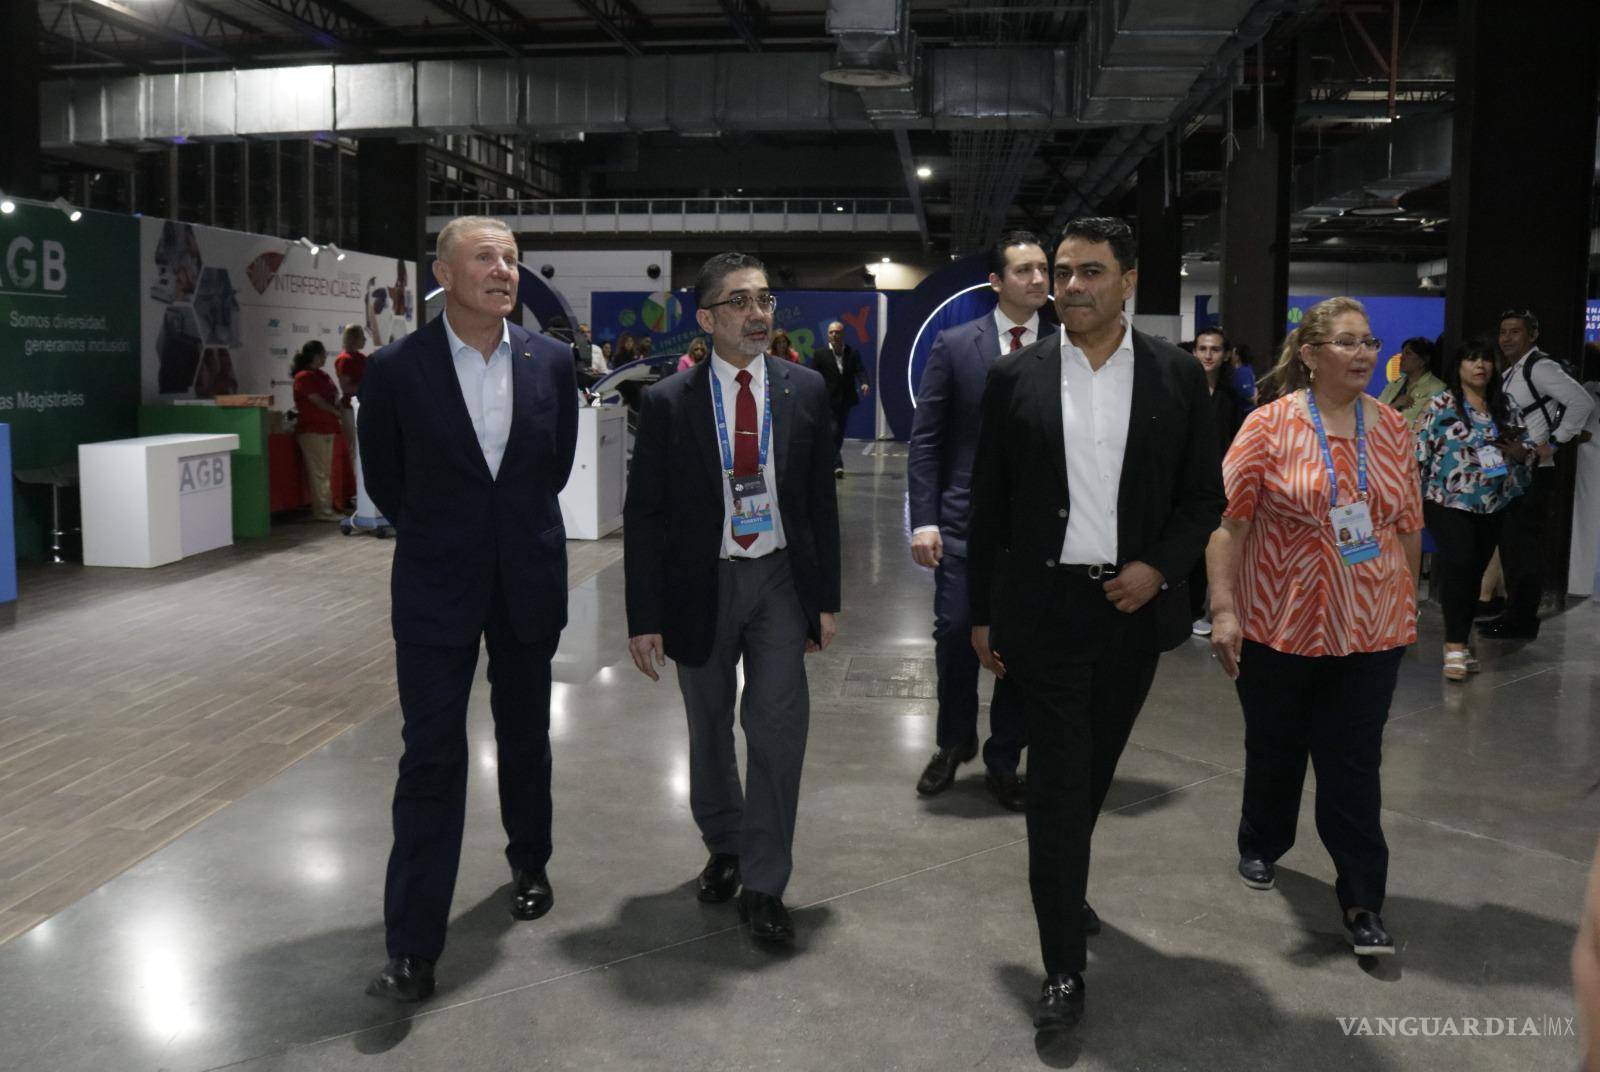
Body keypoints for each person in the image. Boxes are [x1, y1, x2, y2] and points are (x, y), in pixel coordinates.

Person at [967, 217, 1224, 1029]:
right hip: (1044, 612)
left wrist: (1159, 569)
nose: (1070, 287)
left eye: (1090, 272)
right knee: (1056, 784)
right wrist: (980, 612)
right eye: (1063, 272)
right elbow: (989, 505)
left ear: (1128, 281)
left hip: (1130, 613)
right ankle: (1062, 971)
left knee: (1091, 774)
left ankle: (1064, 881)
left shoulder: (1177, 376)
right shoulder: (1017, 378)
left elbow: (1203, 498)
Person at [357, 216, 579, 1003]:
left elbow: (552, 469)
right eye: (485, 257)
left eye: (511, 258)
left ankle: (530, 861)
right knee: (430, 756)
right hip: (434, 587)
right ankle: (413, 945)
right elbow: (387, 480)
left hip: (527, 580)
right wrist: (452, 534)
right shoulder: (394, 369)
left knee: (525, 734)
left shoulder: (552, 362)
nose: (503, 270)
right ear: (443, 274)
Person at [624, 251, 840, 947]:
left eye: (764, 300)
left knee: (778, 727)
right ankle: (725, 843)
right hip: (701, 583)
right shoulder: (667, 402)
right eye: (740, 302)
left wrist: (825, 598)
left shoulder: (806, 389)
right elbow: (646, 515)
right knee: (710, 724)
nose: (757, 314)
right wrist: (644, 617)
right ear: (707, 317)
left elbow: (819, 502)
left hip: (777, 578)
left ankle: (766, 882)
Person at [1207, 296, 1422, 963]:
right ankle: (1262, 840)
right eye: (1347, 342)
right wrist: (1223, 610)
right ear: (1309, 354)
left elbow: (1407, 526)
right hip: (1279, 621)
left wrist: (1405, 603)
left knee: (1353, 761)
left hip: (1369, 627)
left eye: (1369, 342)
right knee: (1275, 745)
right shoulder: (1267, 426)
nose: (1364, 354)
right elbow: (1230, 526)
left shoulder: (1392, 427)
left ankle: (1362, 899)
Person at [906, 230, 1045, 810]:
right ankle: (953, 741)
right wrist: (924, 519)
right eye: (1024, 270)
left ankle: (1004, 758)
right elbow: (927, 440)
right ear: (996, 281)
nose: (1038, 279)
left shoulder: (1066, 346)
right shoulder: (956, 343)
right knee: (955, 632)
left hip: (1035, 529)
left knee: (1021, 646)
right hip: (963, 524)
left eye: (1043, 269)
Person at [1415, 340, 1534, 680]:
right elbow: (1420, 451)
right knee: (1459, 563)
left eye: (1485, 360)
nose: (1480, 365)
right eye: (1471, 359)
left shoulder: (1505, 405)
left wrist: (1518, 451)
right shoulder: (1442, 404)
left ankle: (1462, 641)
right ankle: (1453, 645)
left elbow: (1524, 449)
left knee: (1473, 573)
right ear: (1459, 367)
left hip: (1492, 500)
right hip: (1448, 499)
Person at [1481, 308, 1595, 639]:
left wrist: (1554, 443)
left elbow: (1582, 402)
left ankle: (1521, 620)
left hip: (1532, 471)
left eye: (1515, 331)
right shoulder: (1512, 371)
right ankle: (1514, 613)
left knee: (1523, 548)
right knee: (1512, 546)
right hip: (1512, 470)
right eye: (1503, 332)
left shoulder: (1540, 368)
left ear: (1532, 335)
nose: (1506, 338)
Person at [1188, 327, 1247, 637]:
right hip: (1186, 483)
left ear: (1225, 355)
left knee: (1216, 543)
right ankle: (1188, 609)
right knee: (1188, 544)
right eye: (1202, 348)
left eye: (1215, 349)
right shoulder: (1181, 391)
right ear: (1194, 351)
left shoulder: (1233, 400)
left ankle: (1210, 609)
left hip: (1222, 484)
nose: (1208, 355)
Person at [291, 340, 342, 522]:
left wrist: (336, 409)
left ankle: (327, 507)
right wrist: (335, 411)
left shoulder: (322, 375)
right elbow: (316, 400)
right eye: (323, 354)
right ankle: (323, 511)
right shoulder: (303, 377)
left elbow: (333, 394)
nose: (325, 358)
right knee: (319, 473)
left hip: (327, 428)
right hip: (312, 430)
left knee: (325, 472)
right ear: (315, 356)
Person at [815, 319, 870, 478]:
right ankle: (837, 464)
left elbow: (860, 370)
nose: (834, 335)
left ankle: (830, 461)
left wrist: (864, 383)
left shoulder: (852, 353)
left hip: (846, 399)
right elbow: (814, 374)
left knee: (839, 433)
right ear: (828, 335)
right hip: (828, 399)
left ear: (843, 334)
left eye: (837, 332)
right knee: (833, 431)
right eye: (831, 332)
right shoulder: (820, 354)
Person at [1569, 343, 1600, 595]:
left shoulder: (1587, 392)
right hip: (1590, 463)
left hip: (1588, 465)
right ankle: (1581, 582)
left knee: (1583, 522)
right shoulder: (1589, 391)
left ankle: (1578, 582)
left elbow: (1581, 433)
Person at [1376, 336, 1446, 428]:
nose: (1402, 358)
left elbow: (1431, 424)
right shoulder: (1394, 384)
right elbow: (1376, 414)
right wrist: (1395, 405)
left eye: (1408, 354)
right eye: (1402, 353)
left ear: (1423, 360)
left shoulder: (1438, 388)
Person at [335, 324, 368, 493]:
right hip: (350, 409)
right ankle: (355, 489)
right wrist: (367, 387)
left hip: (365, 407)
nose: (365, 339)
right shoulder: (344, 359)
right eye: (362, 336)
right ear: (354, 338)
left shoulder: (363, 358)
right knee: (354, 448)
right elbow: (346, 387)